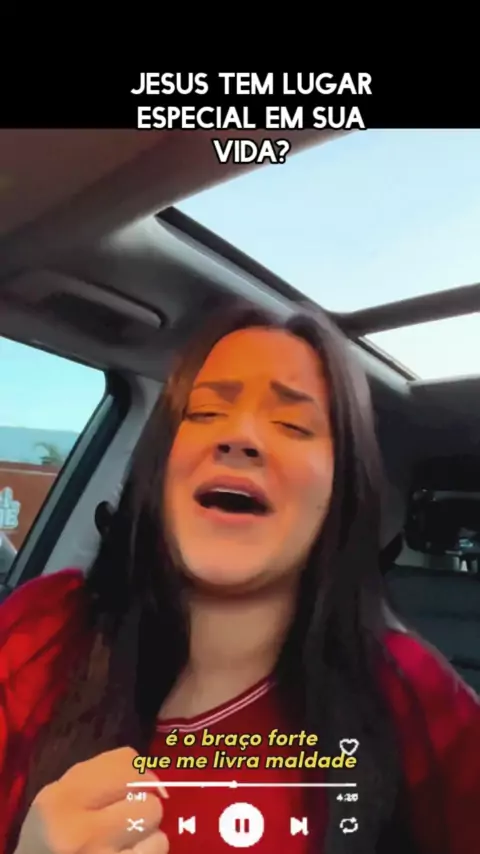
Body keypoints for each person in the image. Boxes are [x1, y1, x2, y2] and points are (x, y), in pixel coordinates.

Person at [0, 300, 478, 854]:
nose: (239, 437)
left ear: (341, 491)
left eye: (292, 424)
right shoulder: (44, 627)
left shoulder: (413, 695)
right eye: (204, 413)